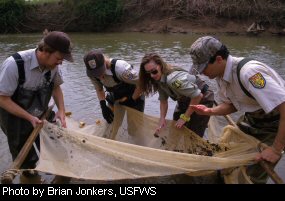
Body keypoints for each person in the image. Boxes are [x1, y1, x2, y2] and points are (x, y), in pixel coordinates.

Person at [189, 36, 285, 183]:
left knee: (250, 176)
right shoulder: (221, 76)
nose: (202, 73)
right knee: (227, 158)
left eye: (203, 68)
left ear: (219, 59)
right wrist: (210, 112)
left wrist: (276, 149)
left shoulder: (250, 73)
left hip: (276, 125)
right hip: (252, 119)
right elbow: (233, 104)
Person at [0, 31, 73, 175]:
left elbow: (56, 87)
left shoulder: (53, 66)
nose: (61, 62)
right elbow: (2, 99)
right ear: (45, 51)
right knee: (27, 161)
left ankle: (58, 175)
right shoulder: (15, 64)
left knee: (56, 147)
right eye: (59, 58)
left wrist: (62, 111)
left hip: (40, 112)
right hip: (14, 118)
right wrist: (29, 118)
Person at [139, 53, 214, 137]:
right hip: (185, 97)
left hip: (203, 97)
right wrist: (162, 118)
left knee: (193, 133)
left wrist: (185, 117)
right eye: (148, 73)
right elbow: (163, 101)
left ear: (160, 65)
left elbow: (198, 96)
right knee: (176, 128)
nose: (151, 75)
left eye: (154, 71)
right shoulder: (158, 78)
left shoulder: (173, 79)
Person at [83, 50, 145, 125]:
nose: (99, 76)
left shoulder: (121, 69)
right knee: (112, 122)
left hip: (134, 94)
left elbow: (142, 83)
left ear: (104, 62)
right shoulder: (91, 74)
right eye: (95, 73)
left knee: (134, 128)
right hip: (115, 96)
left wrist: (132, 99)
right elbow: (99, 89)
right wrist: (103, 106)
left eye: (100, 71)